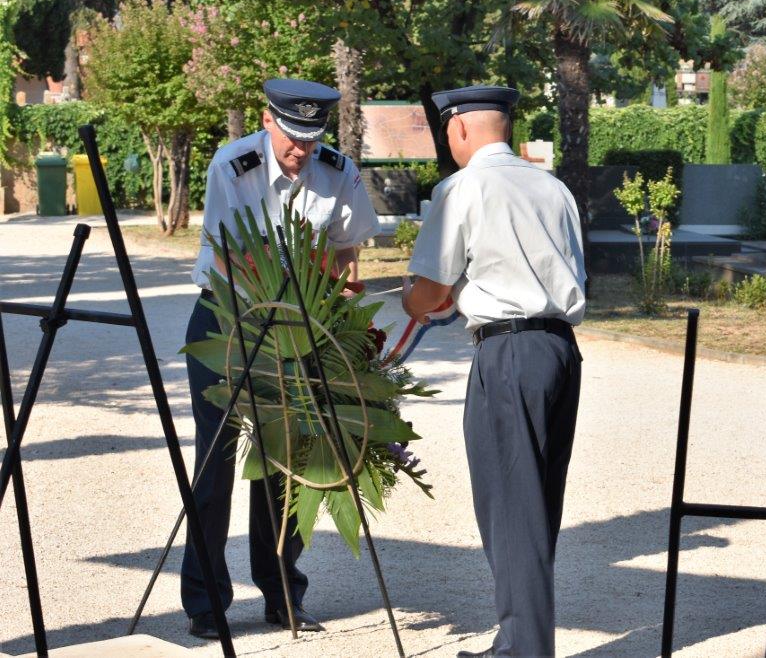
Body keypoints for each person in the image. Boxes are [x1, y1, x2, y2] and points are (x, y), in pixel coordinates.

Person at [183, 78, 379, 638]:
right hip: (229, 315)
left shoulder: (338, 171)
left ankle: (282, 593)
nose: (301, 150)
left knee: (286, 459)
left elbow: (346, 250)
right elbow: (228, 253)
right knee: (216, 460)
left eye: (311, 140)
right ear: (268, 120)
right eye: (292, 136)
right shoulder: (233, 165)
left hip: (301, 323)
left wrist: (340, 303)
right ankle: (206, 602)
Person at [402, 85, 586, 658]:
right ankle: (520, 641)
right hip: (559, 347)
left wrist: (414, 300)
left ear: (458, 128)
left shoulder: (463, 187)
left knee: (509, 505)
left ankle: (524, 650)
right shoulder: (553, 187)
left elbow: (431, 288)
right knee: (537, 505)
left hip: (507, 351)